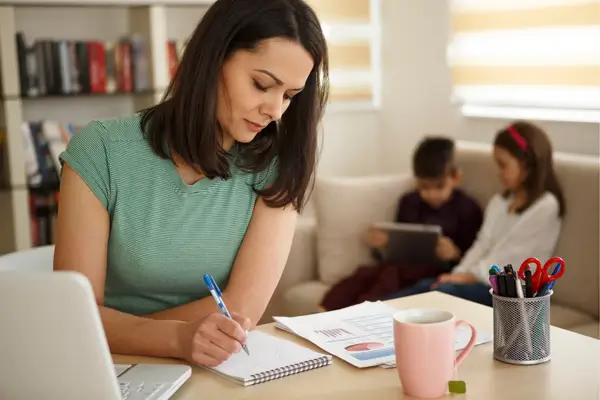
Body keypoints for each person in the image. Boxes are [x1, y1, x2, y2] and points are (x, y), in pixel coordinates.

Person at [53, 0, 329, 368]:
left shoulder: (277, 166)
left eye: (289, 96)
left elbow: (241, 309)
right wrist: (176, 338)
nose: (276, 110)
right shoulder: (101, 150)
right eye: (262, 84)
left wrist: (117, 327)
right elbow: (75, 318)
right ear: (213, 59)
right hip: (108, 367)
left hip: (215, 367)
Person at [385, 121, 566, 307]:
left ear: (527, 164)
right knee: (427, 286)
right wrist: (457, 274)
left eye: (503, 165)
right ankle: (373, 315)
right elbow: (482, 243)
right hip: (481, 281)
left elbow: (509, 258)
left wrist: (466, 277)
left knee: (441, 293)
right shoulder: (500, 202)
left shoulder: (546, 206)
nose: (498, 172)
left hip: (509, 291)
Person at [320, 137, 483, 311]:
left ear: (456, 178)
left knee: (390, 278)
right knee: (364, 274)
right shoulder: (409, 202)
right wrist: (382, 245)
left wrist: (454, 254)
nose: (430, 194)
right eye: (424, 187)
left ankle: (360, 315)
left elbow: (474, 257)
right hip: (400, 265)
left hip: (433, 273)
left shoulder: (468, 209)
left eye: (438, 187)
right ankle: (321, 313)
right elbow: (397, 245)